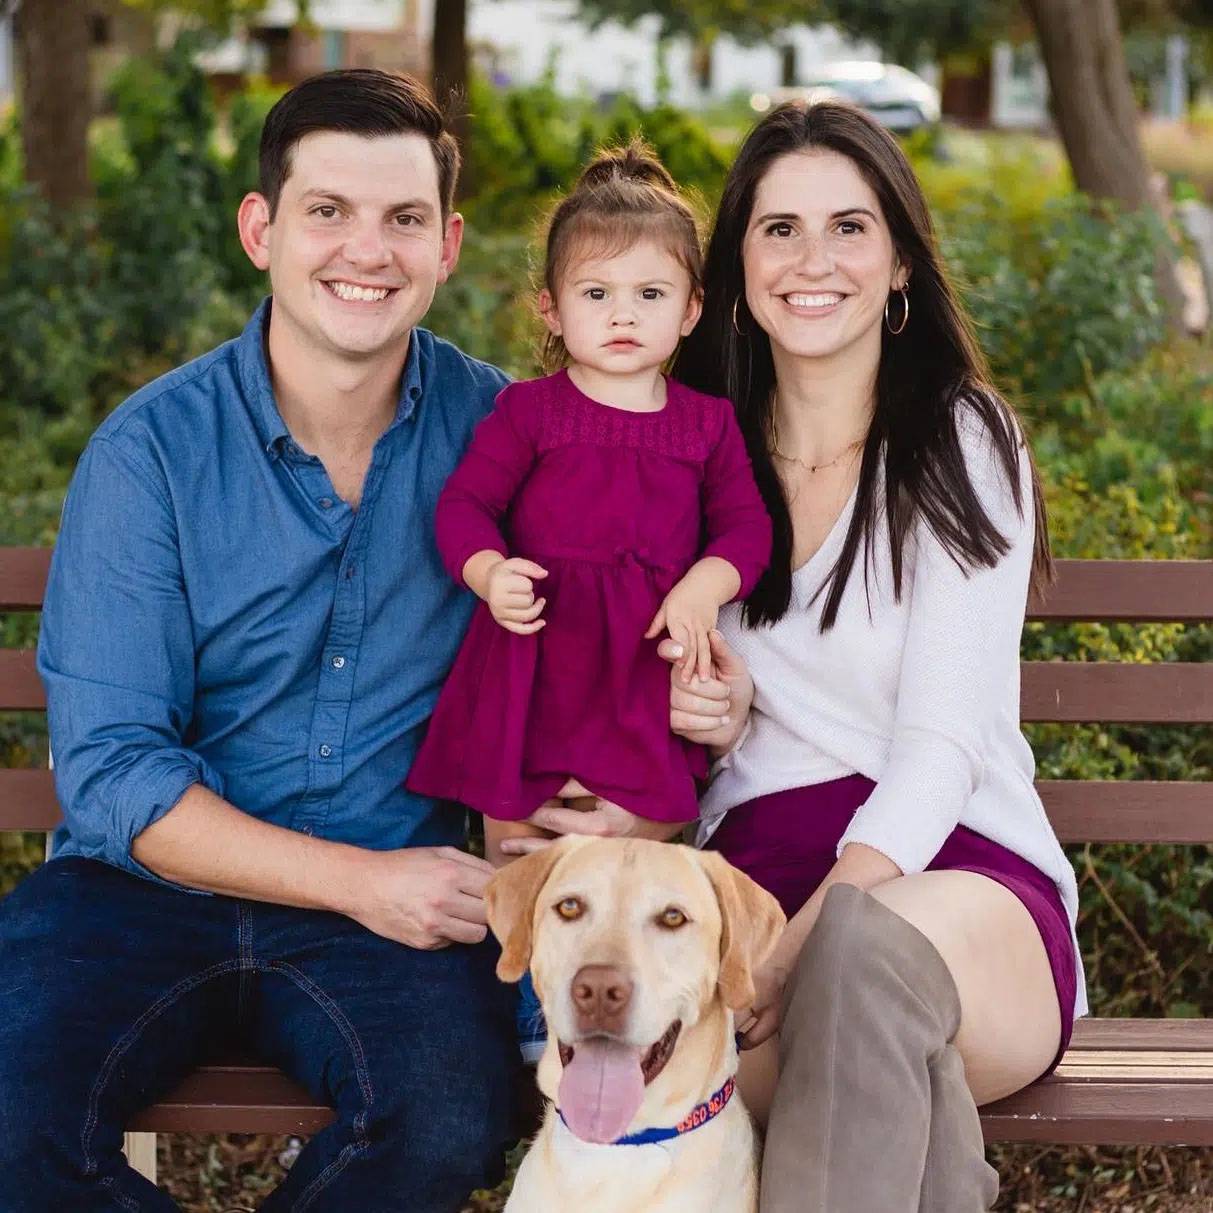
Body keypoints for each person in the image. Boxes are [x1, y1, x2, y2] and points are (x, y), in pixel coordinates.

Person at [0, 70, 520, 1212]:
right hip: (138, 892)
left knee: (445, 1121)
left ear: (448, 246)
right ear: (261, 229)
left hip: (389, 924)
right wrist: (362, 881)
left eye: (403, 219)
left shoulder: (507, 438)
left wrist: (694, 684)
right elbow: (115, 772)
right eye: (327, 211)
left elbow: (591, 649)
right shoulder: (151, 453)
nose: (365, 252)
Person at [662, 101, 1086, 1211]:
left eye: (849, 227)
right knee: (847, 1106)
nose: (814, 261)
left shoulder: (957, 440)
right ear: (738, 264)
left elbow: (941, 748)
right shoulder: (694, 450)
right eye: (778, 229)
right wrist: (710, 716)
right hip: (748, 885)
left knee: (856, 962)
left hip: (958, 882)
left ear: (898, 263)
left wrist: (798, 945)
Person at [406, 140, 770, 1064]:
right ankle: (529, 1005)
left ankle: (617, 1001)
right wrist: (489, 572)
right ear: (551, 307)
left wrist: (701, 584)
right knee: (520, 835)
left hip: (640, 668)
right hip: (536, 658)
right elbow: (465, 505)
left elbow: (744, 534)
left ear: (690, 310)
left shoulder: (705, 424)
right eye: (596, 294)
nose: (622, 315)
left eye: (650, 295)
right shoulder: (530, 412)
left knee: (633, 831)